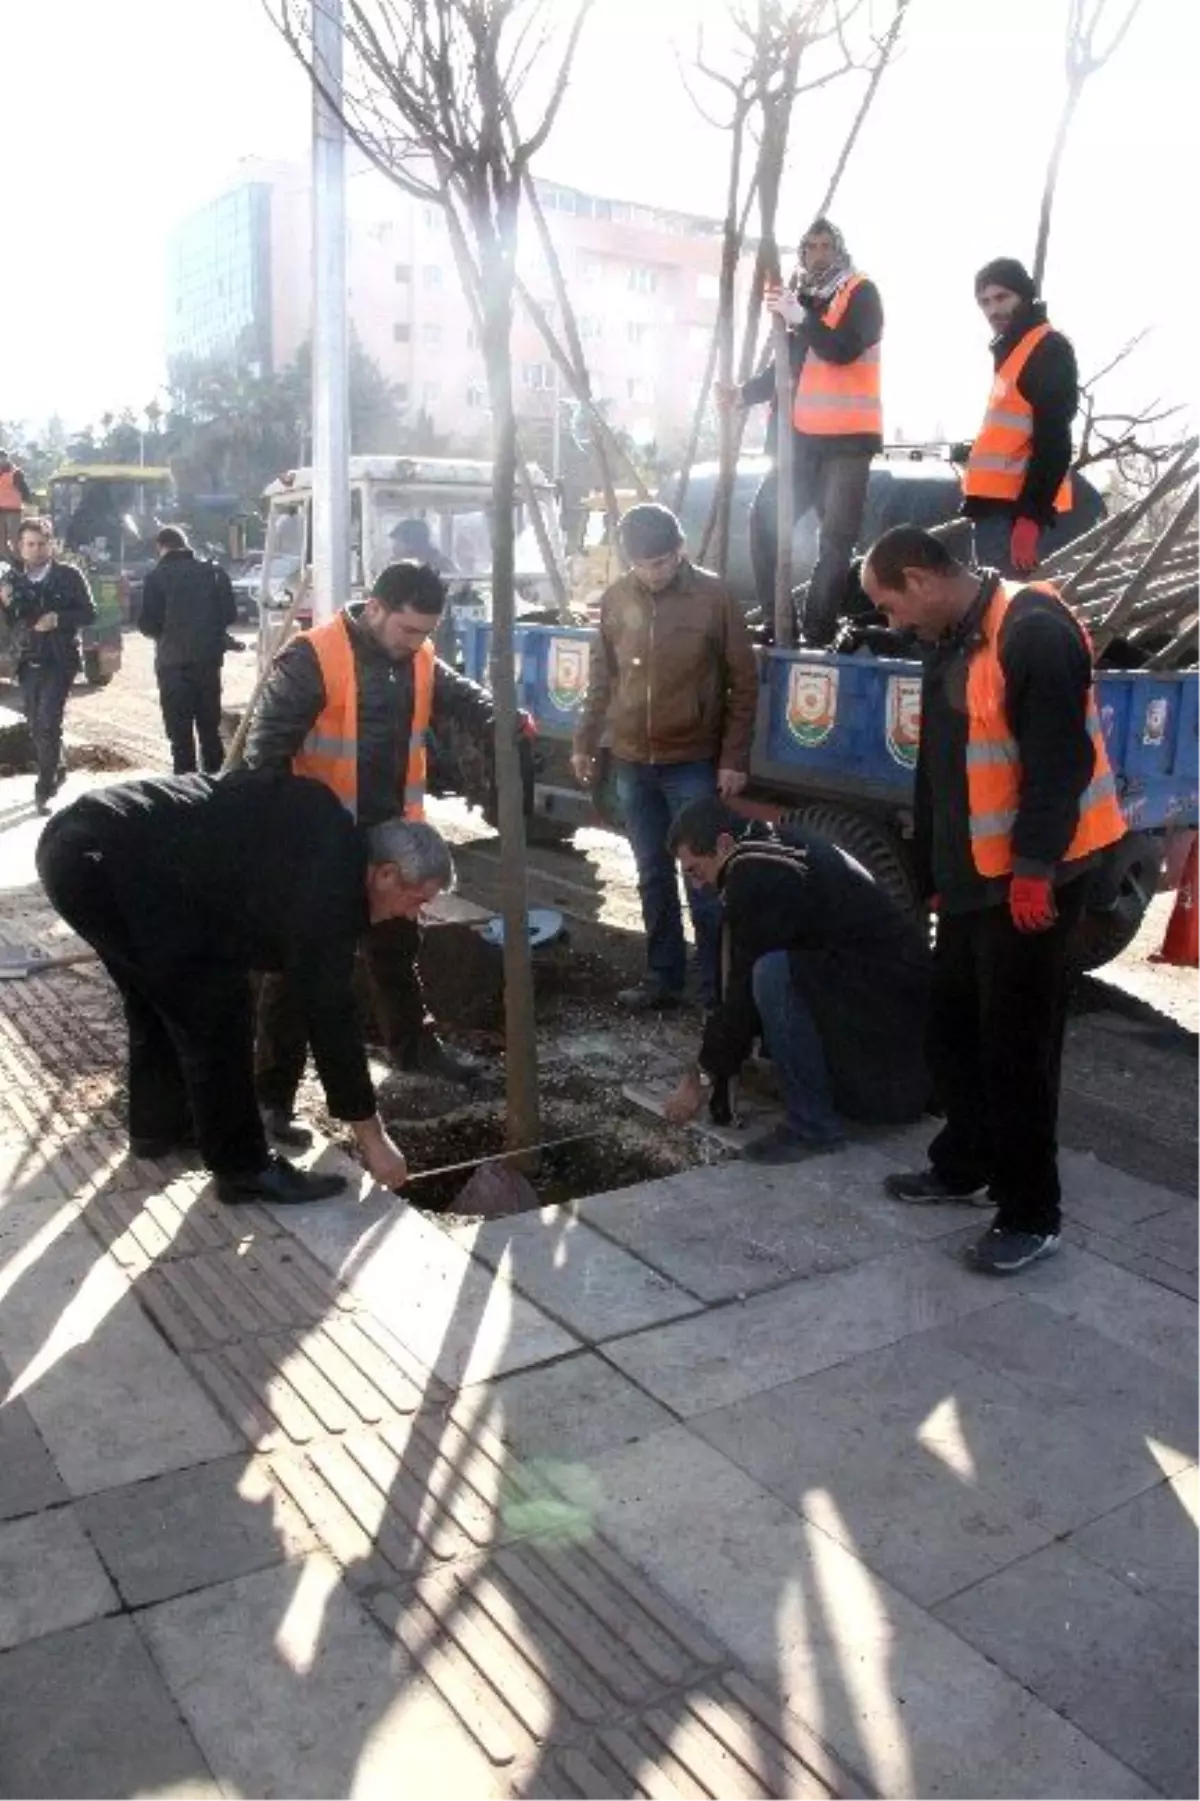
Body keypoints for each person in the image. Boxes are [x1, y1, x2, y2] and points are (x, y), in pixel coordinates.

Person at [860, 526, 1126, 1274]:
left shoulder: (1034, 633)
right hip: (977, 878)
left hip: (1035, 883)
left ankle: (1030, 1211)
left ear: (919, 578)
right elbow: (940, 769)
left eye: (890, 605)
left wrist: (1036, 869)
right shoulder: (950, 638)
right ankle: (966, 1162)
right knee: (951, 1031)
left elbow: (1060, 763)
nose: (891, 623)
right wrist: (932, 867)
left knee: (1018, 1051)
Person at [37, 770, 448, 1202]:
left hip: (74, 846)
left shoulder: (321, 825)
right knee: (219, 1008)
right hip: (110, 861)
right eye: (416, 899)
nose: (411, 915)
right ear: (385, 875)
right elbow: (331, 1016)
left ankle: (159, 1126)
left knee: (155, 995)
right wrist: (374, 1140)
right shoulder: (328, 892)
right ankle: (244, 1167)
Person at [244, 558, 498, 1138]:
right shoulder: (312, 657)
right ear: (376, 607)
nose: (416, 644)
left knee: (397, 950)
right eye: (408, 630)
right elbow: (266, 758)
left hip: (391, 837)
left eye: (426, 633)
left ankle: (414, 1048)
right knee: (296, 970)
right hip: (323, 845)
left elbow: (459, 695)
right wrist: (288, 842)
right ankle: (272, 1096)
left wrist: (497, 716)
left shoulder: (420, 657)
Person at [661, 799, 930, 1161]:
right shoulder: (772, 846)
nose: (698, 885)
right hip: (889, 982)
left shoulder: (756, 874)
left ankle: (812, 1125)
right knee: (778, 974)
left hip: (889, 996)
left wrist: (703, 1073)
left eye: (696, 870)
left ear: (724, 844)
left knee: (772, 976)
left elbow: (742, 991)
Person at [571, 502, 758, 1012]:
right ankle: (663, 980)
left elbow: (744, 680)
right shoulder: (614, 600)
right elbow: (603, 679)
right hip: (633, 760)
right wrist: (586, 741)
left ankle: (715, 992)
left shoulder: (714, 597)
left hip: (693, 761)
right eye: (643, 565)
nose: (654, 574)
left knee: (703, 877)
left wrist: (733, 757)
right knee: (651, 873)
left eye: (662, 562)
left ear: (680, 550)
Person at [716, 218, 883, 646]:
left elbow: (843, 349)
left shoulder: (860, 293)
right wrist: (741, 395)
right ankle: (779, 623)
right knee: (764, 521)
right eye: (811, 247)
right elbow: (785, 370)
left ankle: (817, 630)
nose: (819, 253)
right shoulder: (803, 300)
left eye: (827, 245)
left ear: (840, 249)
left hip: (847, 441)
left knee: (835, 540)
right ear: (803, 254)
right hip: (802, 440)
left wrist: (800, 315)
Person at [959, 257, 1079, 577]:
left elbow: (1054, 442)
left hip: (1014, 515)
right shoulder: (1014, 348)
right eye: (984, 301)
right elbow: (1014, 429)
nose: (993, 310)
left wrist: (1031, 519)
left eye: (1002, 298)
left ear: (1024, 296)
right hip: (995, 511)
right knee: (993, 615)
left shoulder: (1047, 348)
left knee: (1009, 615)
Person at [0, 517, 96, 813]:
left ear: (51, 545)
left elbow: (89, 613)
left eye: (42, 544)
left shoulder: (69, 575)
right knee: (35, 723)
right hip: (26, 659)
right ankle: (57, 766)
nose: (37, 550)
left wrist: (59, 619)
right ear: (19, 547)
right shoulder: (11, 580)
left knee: (48, 719)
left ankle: (44, 788)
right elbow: (11, 621)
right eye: (30, 544)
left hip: (60, 658)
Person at [138, 526, 240, 774]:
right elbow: (229, 614)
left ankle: (185, 794)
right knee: (210, 730)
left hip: (172, 665)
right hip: (208, 662)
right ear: (185, 544)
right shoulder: (213, 573)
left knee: (180, 735)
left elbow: (147, 624)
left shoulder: (156, 577)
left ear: (160, 547)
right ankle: (215, 790)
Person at [390, 517, 457, 576]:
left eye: (398, 541)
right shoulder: (403, 567)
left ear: (412, 543)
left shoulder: (440, 565)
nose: (394, 547)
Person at [0, 450, 32, 558]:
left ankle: (22, 562)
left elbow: (25, 492)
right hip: (1, 511)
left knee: (15, 539)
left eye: (2, 458)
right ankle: (12, 566)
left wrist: (28, 504)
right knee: (1, 543)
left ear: (6, 458)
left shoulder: (15, 473)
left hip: (13, 511)